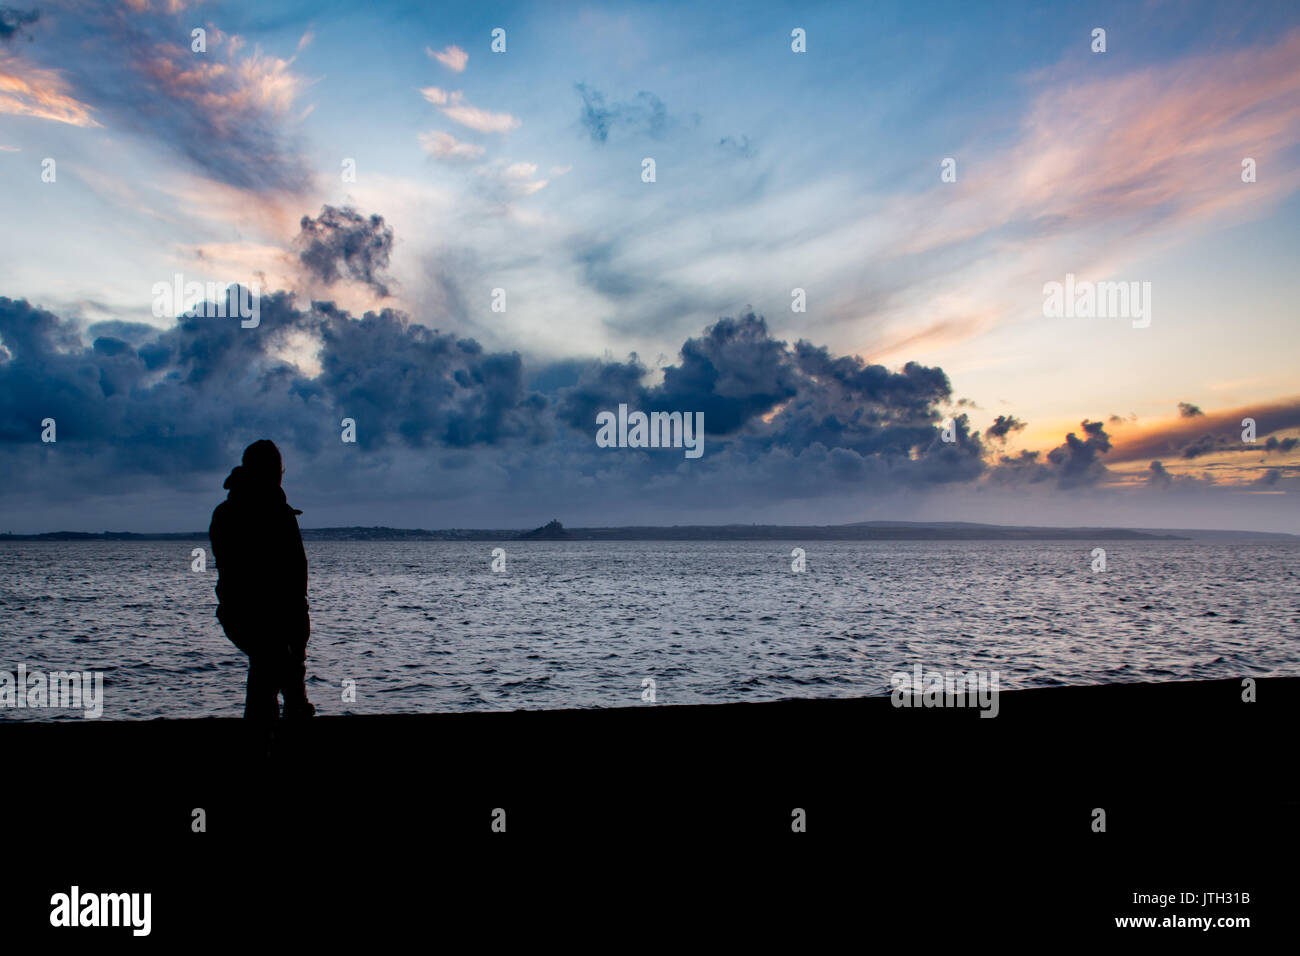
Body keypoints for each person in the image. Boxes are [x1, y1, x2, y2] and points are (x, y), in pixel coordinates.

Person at [209, 439, 316, 721]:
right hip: (261, 614)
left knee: (268, 664)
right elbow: (295, 577)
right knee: (274, 660)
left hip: (241, 612)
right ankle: (288, 713)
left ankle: (278, 718)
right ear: (275, 471)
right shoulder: (275, 513)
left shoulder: (226, 512)